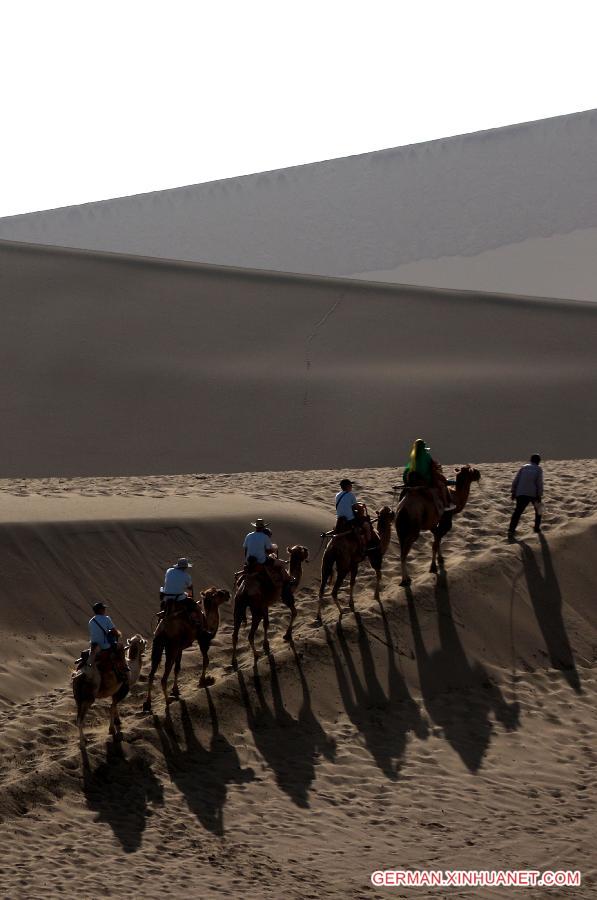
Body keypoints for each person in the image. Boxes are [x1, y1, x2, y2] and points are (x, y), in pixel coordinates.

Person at [242, 518, 295, 605]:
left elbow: (246, 549)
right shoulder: (265, 537)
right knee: (281, 563)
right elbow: (269, 551)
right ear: (263, 527)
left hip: (249, 562)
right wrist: (275, 548)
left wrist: (247, 561)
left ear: (255, 527)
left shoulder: (249, 535)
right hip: (262, 561)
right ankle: (287, 582)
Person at [402, 438, 455, 514]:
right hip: (425, 479)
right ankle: (446, 504)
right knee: (442, 486)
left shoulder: (413, 457)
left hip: (413, 480)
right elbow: (432, 467)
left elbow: (408, 469)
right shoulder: (427, 456)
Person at [87, 601, 127, 677]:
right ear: (100, 610)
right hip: (104, 646)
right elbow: (114, 632)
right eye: (103, 609)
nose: (105, 610)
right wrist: (118, 634)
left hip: (93, 646)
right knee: (121, 646)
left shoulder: (91, 621)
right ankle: (124, 667)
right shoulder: (106, 619)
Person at [508, 454, 543, 539]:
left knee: (517, 512)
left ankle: (511, 530)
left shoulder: (523, 467)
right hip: (532, 493)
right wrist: (539, 495)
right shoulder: (538, 469)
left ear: (531, 460)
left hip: (521, 492)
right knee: (539, 509)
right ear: (538, 461)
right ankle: (537, 528)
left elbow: (516, 479)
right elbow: (539, 483)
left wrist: (513, 491)